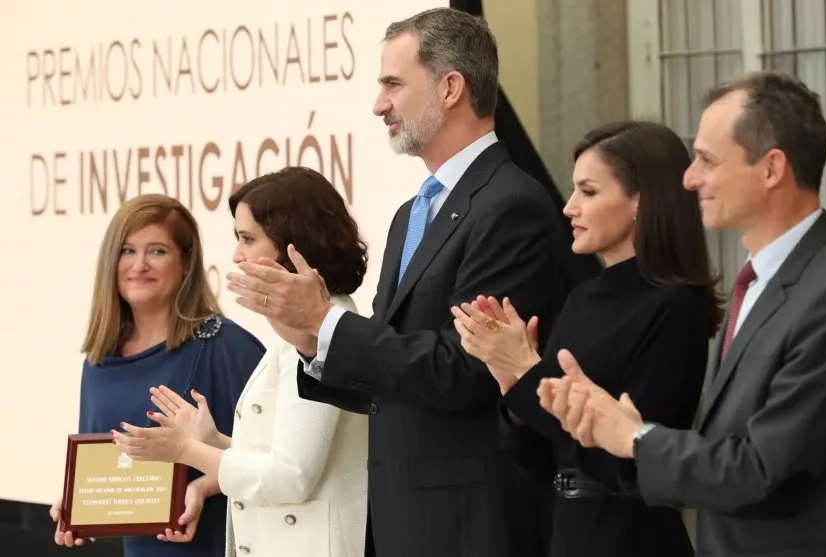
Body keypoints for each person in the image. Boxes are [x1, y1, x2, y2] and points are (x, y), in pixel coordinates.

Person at [224, 7, 568, 557]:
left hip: (466, 524)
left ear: (450, 87)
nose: (378, 104)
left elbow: (466, 372)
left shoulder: (510, 206)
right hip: (400, 519)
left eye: (393, 84)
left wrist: (327, 323)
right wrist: (311, 341)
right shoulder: (413, 213)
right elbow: (389, 376)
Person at [539, 71, 826, 557]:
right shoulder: (758, 281)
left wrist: (634, 437)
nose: (690, 179)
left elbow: (758, 469)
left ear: (771, 169)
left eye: (707, 160)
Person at [451, 121, 722, 556]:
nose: (569, 208)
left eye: (589, 192)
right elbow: (538, 456)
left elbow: (629, 462)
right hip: (567, 531)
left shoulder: (675, 309)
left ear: (641, 200)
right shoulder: (583, 297)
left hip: (632, 539)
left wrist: (527, 369)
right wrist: (510, 382)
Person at [111, 168, 370, 557]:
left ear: (293, 244)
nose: (237, 255)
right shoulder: (301, 329)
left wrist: (186, 450)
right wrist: (212, 440)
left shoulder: (320, 330)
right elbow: (280, 456)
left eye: (248, 239)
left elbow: (291, 477)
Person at [50, 194, 264, 556]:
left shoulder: (227, 347)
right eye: (127, 251)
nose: (139, 265)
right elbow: (105, 464)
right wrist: (78, 503)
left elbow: (274, 461)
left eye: (158, 251)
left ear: (186, 261)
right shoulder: (99, 359)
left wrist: (203, 487)